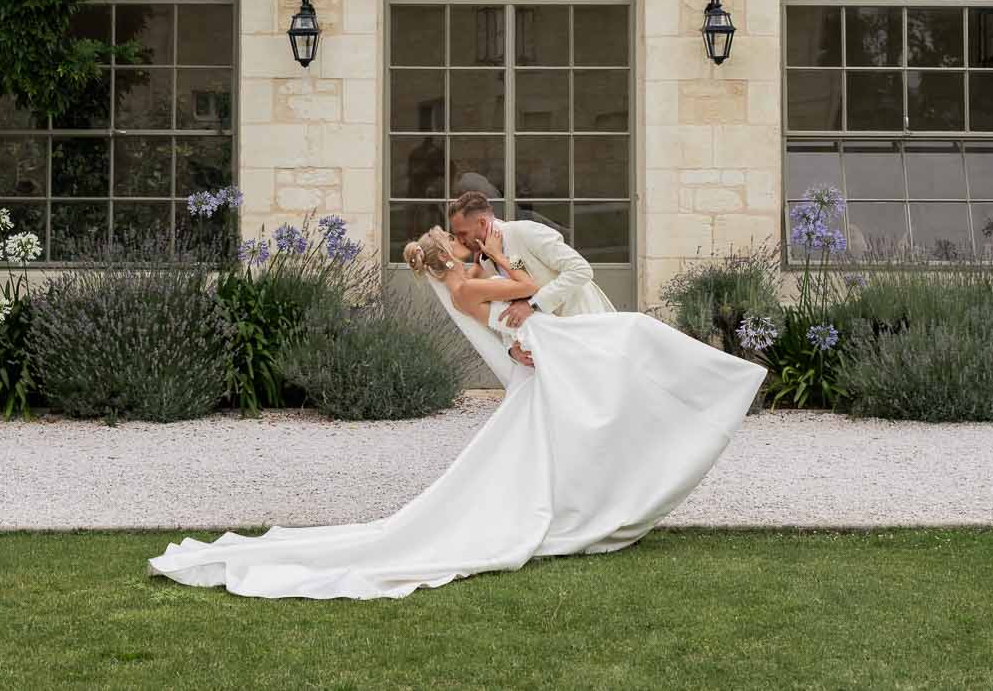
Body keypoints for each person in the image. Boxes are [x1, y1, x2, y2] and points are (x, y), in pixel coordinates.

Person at [147, 227, 764, 600]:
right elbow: (524, 288)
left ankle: (681, 422)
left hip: (548, 347)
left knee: (626, 353)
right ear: (450, 261)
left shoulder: (469, 283)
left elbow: (522, 287)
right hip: (549, 347)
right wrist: (497, 260)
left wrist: (499, 261)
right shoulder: (468, 288)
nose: (469, 249)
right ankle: (708, 400)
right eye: (461, 247)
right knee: (630, 336)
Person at [441, 189, 613, 376]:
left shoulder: (525, 232)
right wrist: (512, 349)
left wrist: (532, 305)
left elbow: (580, 269)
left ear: (482, 222)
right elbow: (508, 300)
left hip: (582, 328)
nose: (460, 241)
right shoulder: (487, 259)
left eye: (462, 233)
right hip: (548, 346)